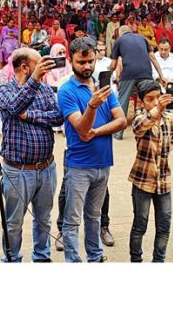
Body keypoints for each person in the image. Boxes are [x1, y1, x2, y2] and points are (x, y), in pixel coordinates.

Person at [57, 37, 127, 262]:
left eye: (91, 61)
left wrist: (97, 132)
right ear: (71, 61)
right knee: (72, 219)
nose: (87, 66)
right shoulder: (66, 91)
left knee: (94, 216)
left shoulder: (103, 86)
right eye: (81, 62)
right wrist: (93, 105)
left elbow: (121, 121)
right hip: (78, 164)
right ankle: (73, 261)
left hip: (103, 163)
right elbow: (80, 127)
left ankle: (95, 257)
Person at [0, 48, 63, 262]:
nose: (42, 69)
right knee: (14, 223)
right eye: (38, 65)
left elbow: (57, 117)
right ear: (25, 67)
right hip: (18, 170)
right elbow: (16, 107)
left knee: (43, 219)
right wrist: (34, 80)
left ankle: (42, 257)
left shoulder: (43, 88)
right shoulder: (5, 90)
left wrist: (31, 116)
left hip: (46, 167)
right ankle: (12, 259)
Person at [128, 80, 173, 263]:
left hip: (164, 181)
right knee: (140, 225)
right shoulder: (140, 117)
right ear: (142, 102)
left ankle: (158, 261)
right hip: (143, 180)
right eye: (149, 99)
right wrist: (156, 110)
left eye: (158, 98)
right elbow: (138, 127)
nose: (155, 102)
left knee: (164, 226)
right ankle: (136, 260)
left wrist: (170, 147)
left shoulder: (171, 119)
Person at [108, 26, 166, 140]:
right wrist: (161, 75)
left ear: (120, 33)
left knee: (122, 101)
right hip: (145, 72)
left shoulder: (119, 40)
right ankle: (154, 129)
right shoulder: (142, 38)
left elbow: (114, 64)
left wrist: (107, 74)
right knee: (149, 100)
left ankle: (118, 134)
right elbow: (153, 58)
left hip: (128, 73)